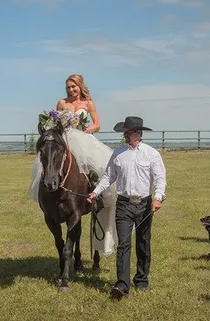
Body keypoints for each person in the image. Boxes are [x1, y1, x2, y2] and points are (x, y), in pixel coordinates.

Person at [28, 73, 118, 256]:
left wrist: (84, 129)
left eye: (73, 86)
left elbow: (97, 124)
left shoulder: (88, 103)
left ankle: (96, 195)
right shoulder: (62, 103)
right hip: (64, 139)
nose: (71, 90)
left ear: (80, 86)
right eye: (68, 87)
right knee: (50, 161)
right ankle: (46, 190)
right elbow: (54, 124)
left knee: (93, 166)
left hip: (82, 138)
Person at [87, 116, 166, 300]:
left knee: (143, 243)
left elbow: (160, 178)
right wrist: (95, 192)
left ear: (140, 133)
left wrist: (158, 198)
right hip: (123, 204)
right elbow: (108, 177)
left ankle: (141, 279)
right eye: (129, 132)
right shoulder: (118, 154)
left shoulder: (151, 154)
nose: (131, 134)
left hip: (145, 204)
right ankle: (122, 284)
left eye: (133, 131)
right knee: (123, 243)